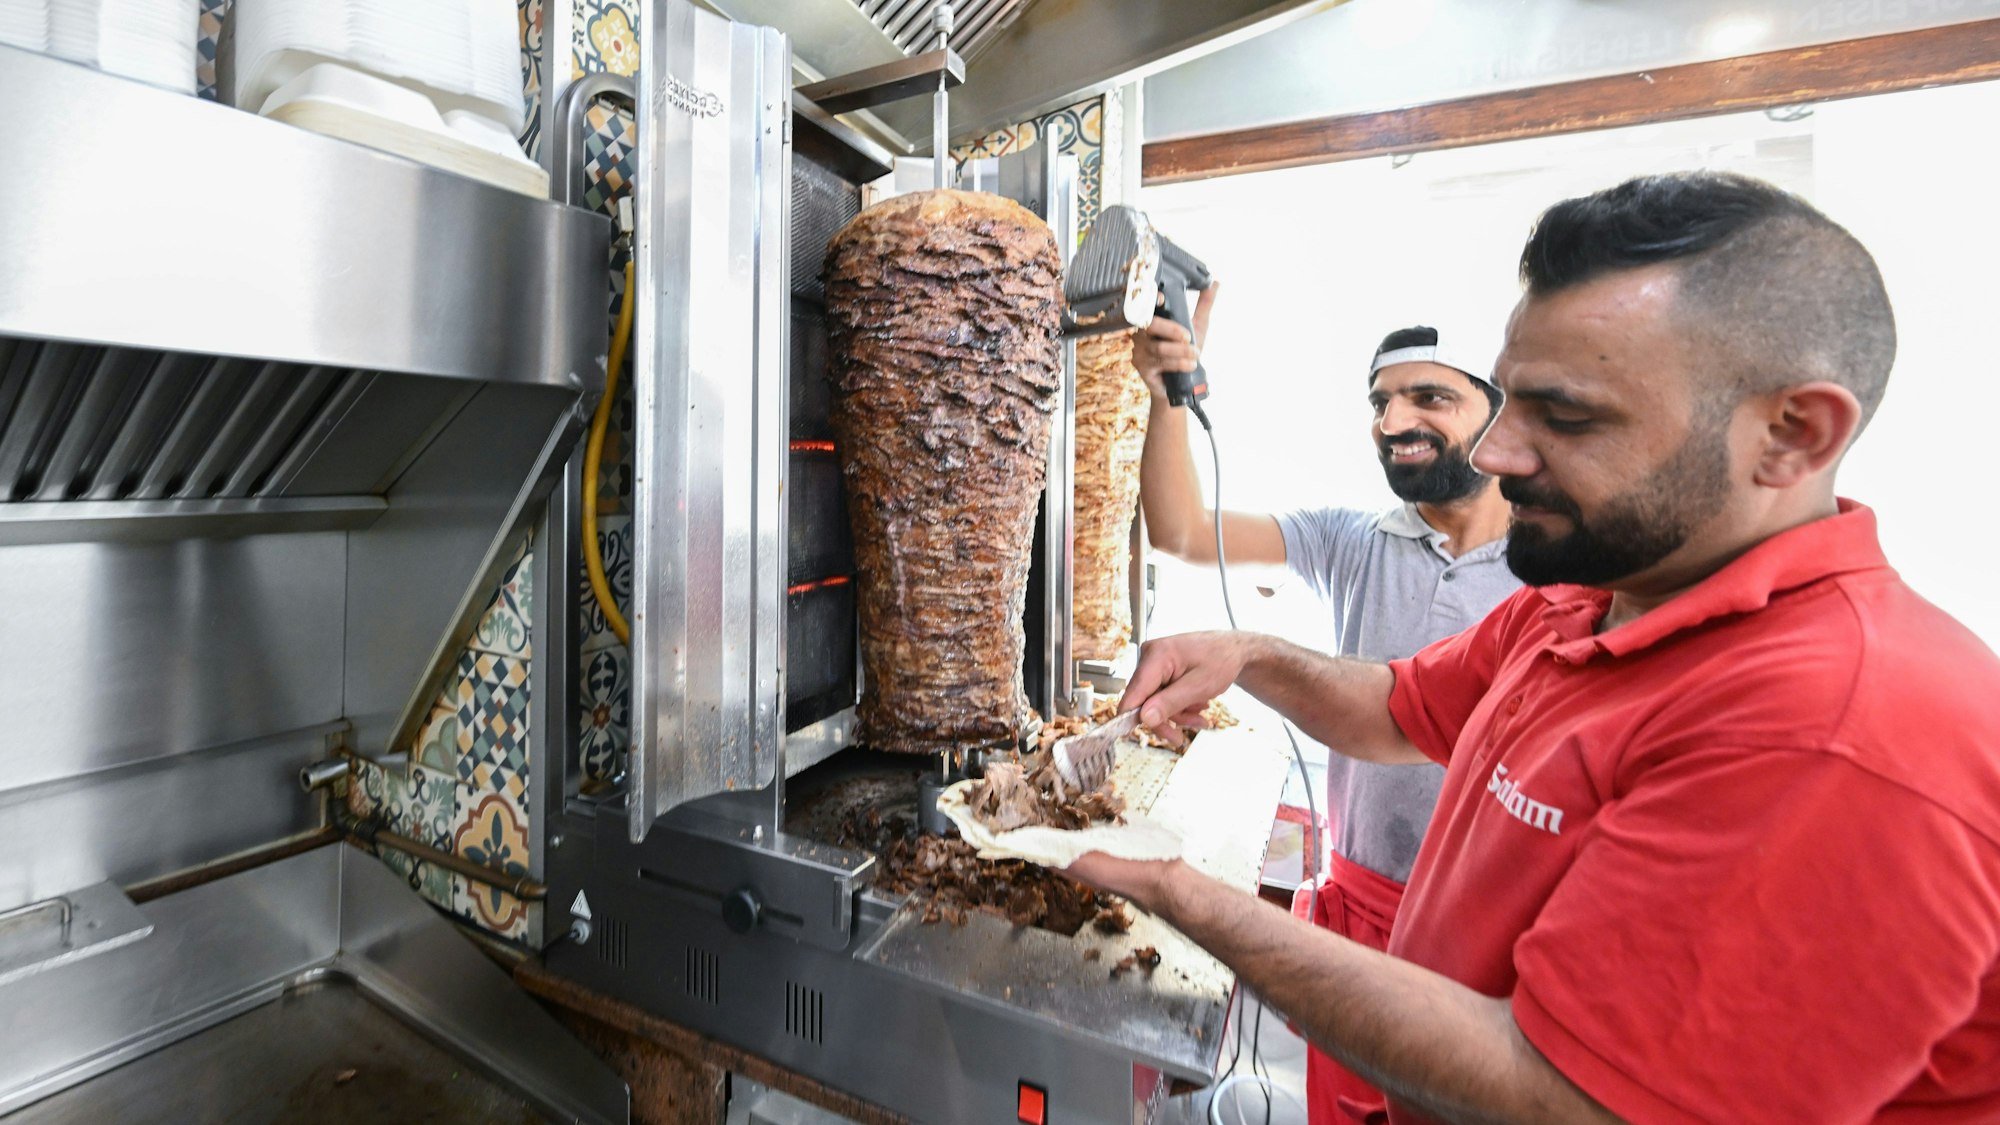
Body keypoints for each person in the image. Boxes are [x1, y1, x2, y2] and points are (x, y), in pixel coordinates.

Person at [1070, 171, 2000, 1123]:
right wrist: (1252, 653)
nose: (1499, 453)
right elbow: (1397, 708)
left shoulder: (1840, 733)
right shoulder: (1591, 599)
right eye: (1509, 401)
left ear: (1793, 434)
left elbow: (1555, 1097)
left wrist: (1179, 888)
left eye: (1566, 415)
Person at [1133, 306, 1521, 1124]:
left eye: (1429, 398)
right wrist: (1167, 395)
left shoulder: (1549, 573)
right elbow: (1181, 531)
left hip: (1484, 938)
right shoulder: (1355, 540)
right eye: (1380, 403)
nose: (1394, 422)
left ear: (1500, 408)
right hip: (1358, 912)